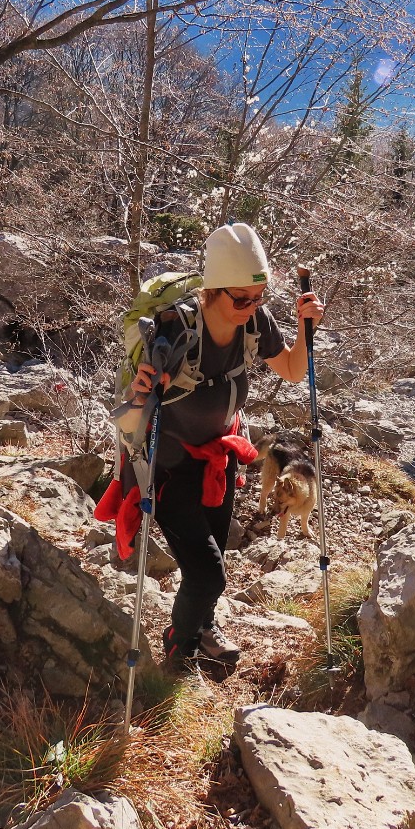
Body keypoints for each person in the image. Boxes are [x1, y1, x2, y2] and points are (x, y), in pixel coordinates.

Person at [115, 222, 324, 671]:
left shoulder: (255, 322)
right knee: (209, 571)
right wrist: (143, 388)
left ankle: (203, 625)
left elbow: (290, 369)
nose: (252, 308)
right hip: (168, 465)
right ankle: (180, 643)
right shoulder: (174, 332)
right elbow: (133, 415)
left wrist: (306, 329)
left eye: (260, 298)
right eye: (242, 299)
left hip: (222, 457)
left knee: (213, 555)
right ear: (211, 291)